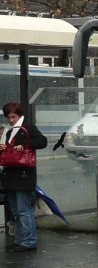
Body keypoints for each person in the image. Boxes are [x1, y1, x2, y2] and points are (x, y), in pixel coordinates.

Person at [0, 101, 47, 252]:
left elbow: (42, 141)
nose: (10, 120)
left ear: (19, 115)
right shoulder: (9, 131)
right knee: (15, 210)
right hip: (11, 175)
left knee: (23, 209)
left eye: (13, 117)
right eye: (8, 117)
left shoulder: (27, 128)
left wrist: (25, 144)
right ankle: (20, 240)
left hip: (23, 175)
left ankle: (29, 241)